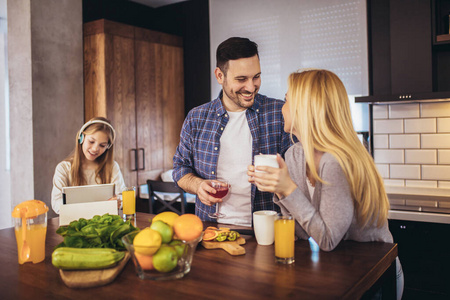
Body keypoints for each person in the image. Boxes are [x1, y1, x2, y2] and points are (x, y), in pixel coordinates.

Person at [248, 69, 404, 299]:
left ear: (306, 108)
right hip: (340, 268)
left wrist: (287, 189)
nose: (282, 107)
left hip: (375, 274)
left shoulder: (336, 161)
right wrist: (278, 188)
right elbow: (303, 231)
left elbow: (328, 239)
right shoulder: (294, 155)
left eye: (287, 99)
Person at [172, 37, 292, 225]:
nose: (251, 87)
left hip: (268, 232)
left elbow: (301, 175)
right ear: (220, 76)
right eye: (241, 79)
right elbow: (180, 167)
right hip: (211, 231)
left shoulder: (280, 113)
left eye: (256, 76)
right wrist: (198, 185)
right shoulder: (197, 118)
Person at [51, 117, 126, 214]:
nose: (95, 149)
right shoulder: (63, 168)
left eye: (102, 145)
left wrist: (119, 201)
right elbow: (56, 203)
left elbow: (122, 196)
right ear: (81, 138)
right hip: (74, 223)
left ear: (108, 147)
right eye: (91, 141)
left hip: (104, 223)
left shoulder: (112, 167)